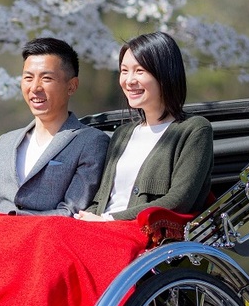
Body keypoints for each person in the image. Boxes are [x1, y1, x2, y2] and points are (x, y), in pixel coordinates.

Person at [76, 31, 213, 222]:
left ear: (165, 74)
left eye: (139, 71)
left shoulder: (194, 130)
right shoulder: (122, 134)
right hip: (101, 227)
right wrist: (84, 219)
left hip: (144, 231)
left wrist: (109, 220)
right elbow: (101, 198)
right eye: (124, 71)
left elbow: (179, 200)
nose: (129, 80)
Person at [0, 37, 109, 216]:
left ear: (72, 86)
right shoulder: (5, 142)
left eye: (46, 78)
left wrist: (13, 222)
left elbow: (70, 212)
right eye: (28, 77)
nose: (35, 87)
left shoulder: (90, 142)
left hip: (47, 233)